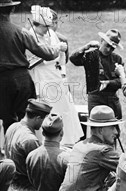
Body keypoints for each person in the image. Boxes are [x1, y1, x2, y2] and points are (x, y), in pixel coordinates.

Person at [56, 105, 121, 191]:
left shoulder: (79, 145)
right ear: (101, 130)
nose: (116, 132)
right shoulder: (102, 150)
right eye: (112, 127)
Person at [27, 5, 82, 145]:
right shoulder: (30, 36)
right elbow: (32, 60)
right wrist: (55, 49)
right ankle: (46, 141)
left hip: (56, 76)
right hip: (41, 77)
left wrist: (61, 51)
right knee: (47, 109)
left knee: (65, 109)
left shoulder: (51, 34)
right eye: (45, 26)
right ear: (37, 24)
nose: (48, 29)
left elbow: (61, 60)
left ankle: (66, 141)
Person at [0, 0, 57, 131]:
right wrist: (56, 48)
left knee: (7, 118)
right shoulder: (20, 32)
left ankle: (9, 147)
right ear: (13, 9)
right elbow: (47, 54)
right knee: (25, 119)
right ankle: (24, 147)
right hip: (20, 80)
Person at [69, 29, 125, 119]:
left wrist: (108, 83)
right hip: (95, 97)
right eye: (107, 46)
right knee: (95, 127)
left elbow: (122, 81)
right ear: (102, 41)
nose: (109, 49)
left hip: (111, 98)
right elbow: (73, 59)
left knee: (114, 127)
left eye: (112, 48)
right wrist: (86, 47)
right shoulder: (91, 55)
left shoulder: (117, 59)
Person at [4, 99, 51, 186]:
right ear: (38, 118)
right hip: (24, 182)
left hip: (11, 177)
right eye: (44, 119)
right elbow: (40, 170)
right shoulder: (30, 140)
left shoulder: (13, 126)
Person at [26, 113, 68, 191]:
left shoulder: (31, 155)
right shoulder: (67, 159)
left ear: (43, 133)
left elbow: (31, 180)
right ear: (62, 133)